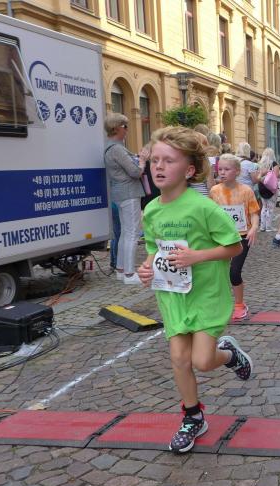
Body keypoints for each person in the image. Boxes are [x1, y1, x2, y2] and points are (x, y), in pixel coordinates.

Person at [138, 126, 253, 453]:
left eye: (169, 161)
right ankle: (193, 417)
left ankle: (229, 355)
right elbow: (154, 248)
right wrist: (147, 267)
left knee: (202, 361)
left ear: (189, 171)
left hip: (206, 295)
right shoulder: (151, 210)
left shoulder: (203, 207)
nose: (159, 167)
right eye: (155, 160)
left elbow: (234, 246)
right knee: (179, 357)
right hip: (172, 294)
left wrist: (197, 256)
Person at [210, 154, 260, 321]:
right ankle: (221, 303)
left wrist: (254, 228)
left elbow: (254, 213)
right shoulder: (215, 191)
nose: (222, 172)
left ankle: (239, 304)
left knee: (234, 271)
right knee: (219, 272)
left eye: (227, 169)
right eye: (220, 169)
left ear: (237, 171)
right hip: (221, 237)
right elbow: (211, 215)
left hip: (242, 237)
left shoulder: (246, 191)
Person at [104, 113, 147, 284]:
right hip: (129, 193)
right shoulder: (117, 149)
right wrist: (142, 160)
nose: (127, 130)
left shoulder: (110, 147)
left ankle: (121, 270)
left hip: (120, 193)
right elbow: (135, 172)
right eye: (125, 126)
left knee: (124, 233)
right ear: (117, 128)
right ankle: (129, 274)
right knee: (132, 233)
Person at [257, 148, 279, 232]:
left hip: (262, 187)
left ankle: (262, 227)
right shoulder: (274, 164)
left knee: (264, 207)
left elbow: (258, 176)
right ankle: (268, 227)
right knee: (270, 208)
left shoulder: (260, 164)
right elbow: (276, 176)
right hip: (271, 188)